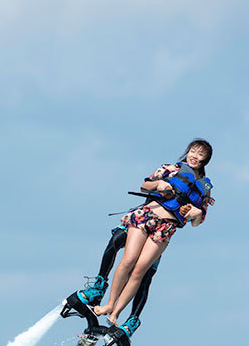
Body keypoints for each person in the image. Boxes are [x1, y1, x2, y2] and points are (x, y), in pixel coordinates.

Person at [77, 139, 214, 333]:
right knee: (129, 260)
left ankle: (115, 313)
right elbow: (145, 186)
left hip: (166, 228)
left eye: (200, 154)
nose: (194, 156)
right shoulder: (171, 169)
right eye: (193, 151)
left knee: (140, 271)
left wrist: (196, 213)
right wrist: (159, 185)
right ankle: (108, 303)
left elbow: (197, 221)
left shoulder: (205, 189)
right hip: (146, 216)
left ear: (206, 159)